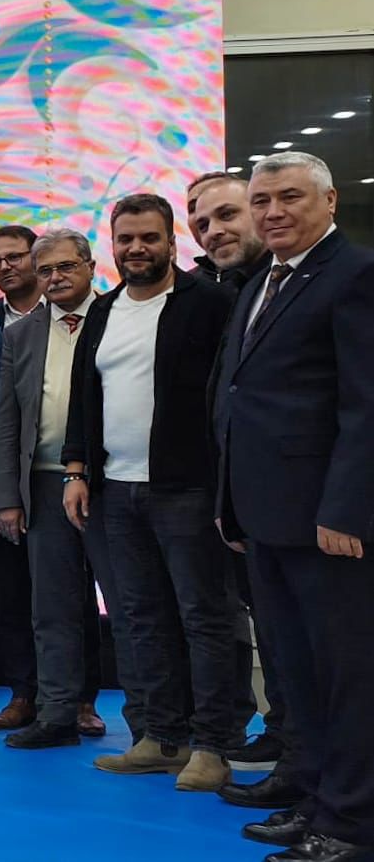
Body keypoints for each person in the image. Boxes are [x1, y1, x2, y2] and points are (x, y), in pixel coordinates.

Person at [216, 151, 374, 860]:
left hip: (326, 525)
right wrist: (230, 504)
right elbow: (238, 397)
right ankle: (313, 797)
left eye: (289, 197)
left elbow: (365, 406)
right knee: (298, 675)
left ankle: (350, 823)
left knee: (346, 678)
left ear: (329, 200)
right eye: (262, 200)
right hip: (264, 519)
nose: (273, 212)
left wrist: (345, 510)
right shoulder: (263, 280)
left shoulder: (355, 275)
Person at [64, 193, 237, 793]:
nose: (136, 248)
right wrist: (76, 470)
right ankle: (162, 738)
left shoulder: (210, 303)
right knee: (140, 618)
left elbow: (228, 399)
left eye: (148, 237)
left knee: (203, 619)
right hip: (115, 489)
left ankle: (212, 746)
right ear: (113, 245)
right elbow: (85, 395)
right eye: (126, 239)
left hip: (187, 489)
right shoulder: (104, 309)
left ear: (170, 241)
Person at [0, 228, 115, 748]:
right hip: (42, 482)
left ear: (90, 266)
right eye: (46, 270)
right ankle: (57, 713)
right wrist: (7, 496)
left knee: (130, 605)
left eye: (66, 266)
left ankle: (155, 726)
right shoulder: (20, 333)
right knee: (52, 606)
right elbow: (7, 420)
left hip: (113, 480)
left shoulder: (117, 315)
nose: (55, 278)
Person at [186, 168, 291, 789]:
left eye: (227, 214)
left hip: (301, 503)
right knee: (269, 627)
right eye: (201, 222)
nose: (213, 230)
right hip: (238, 496)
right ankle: (287, 738)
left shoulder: (312, 284)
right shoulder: (242, 290)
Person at [0, 225, 43, 731]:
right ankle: (23, 694)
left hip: (61, 475)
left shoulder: (77, 314)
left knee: (72, 592)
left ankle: (80, 699)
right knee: (11, 592)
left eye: (15, 257)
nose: (5, 266)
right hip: (1, 477)